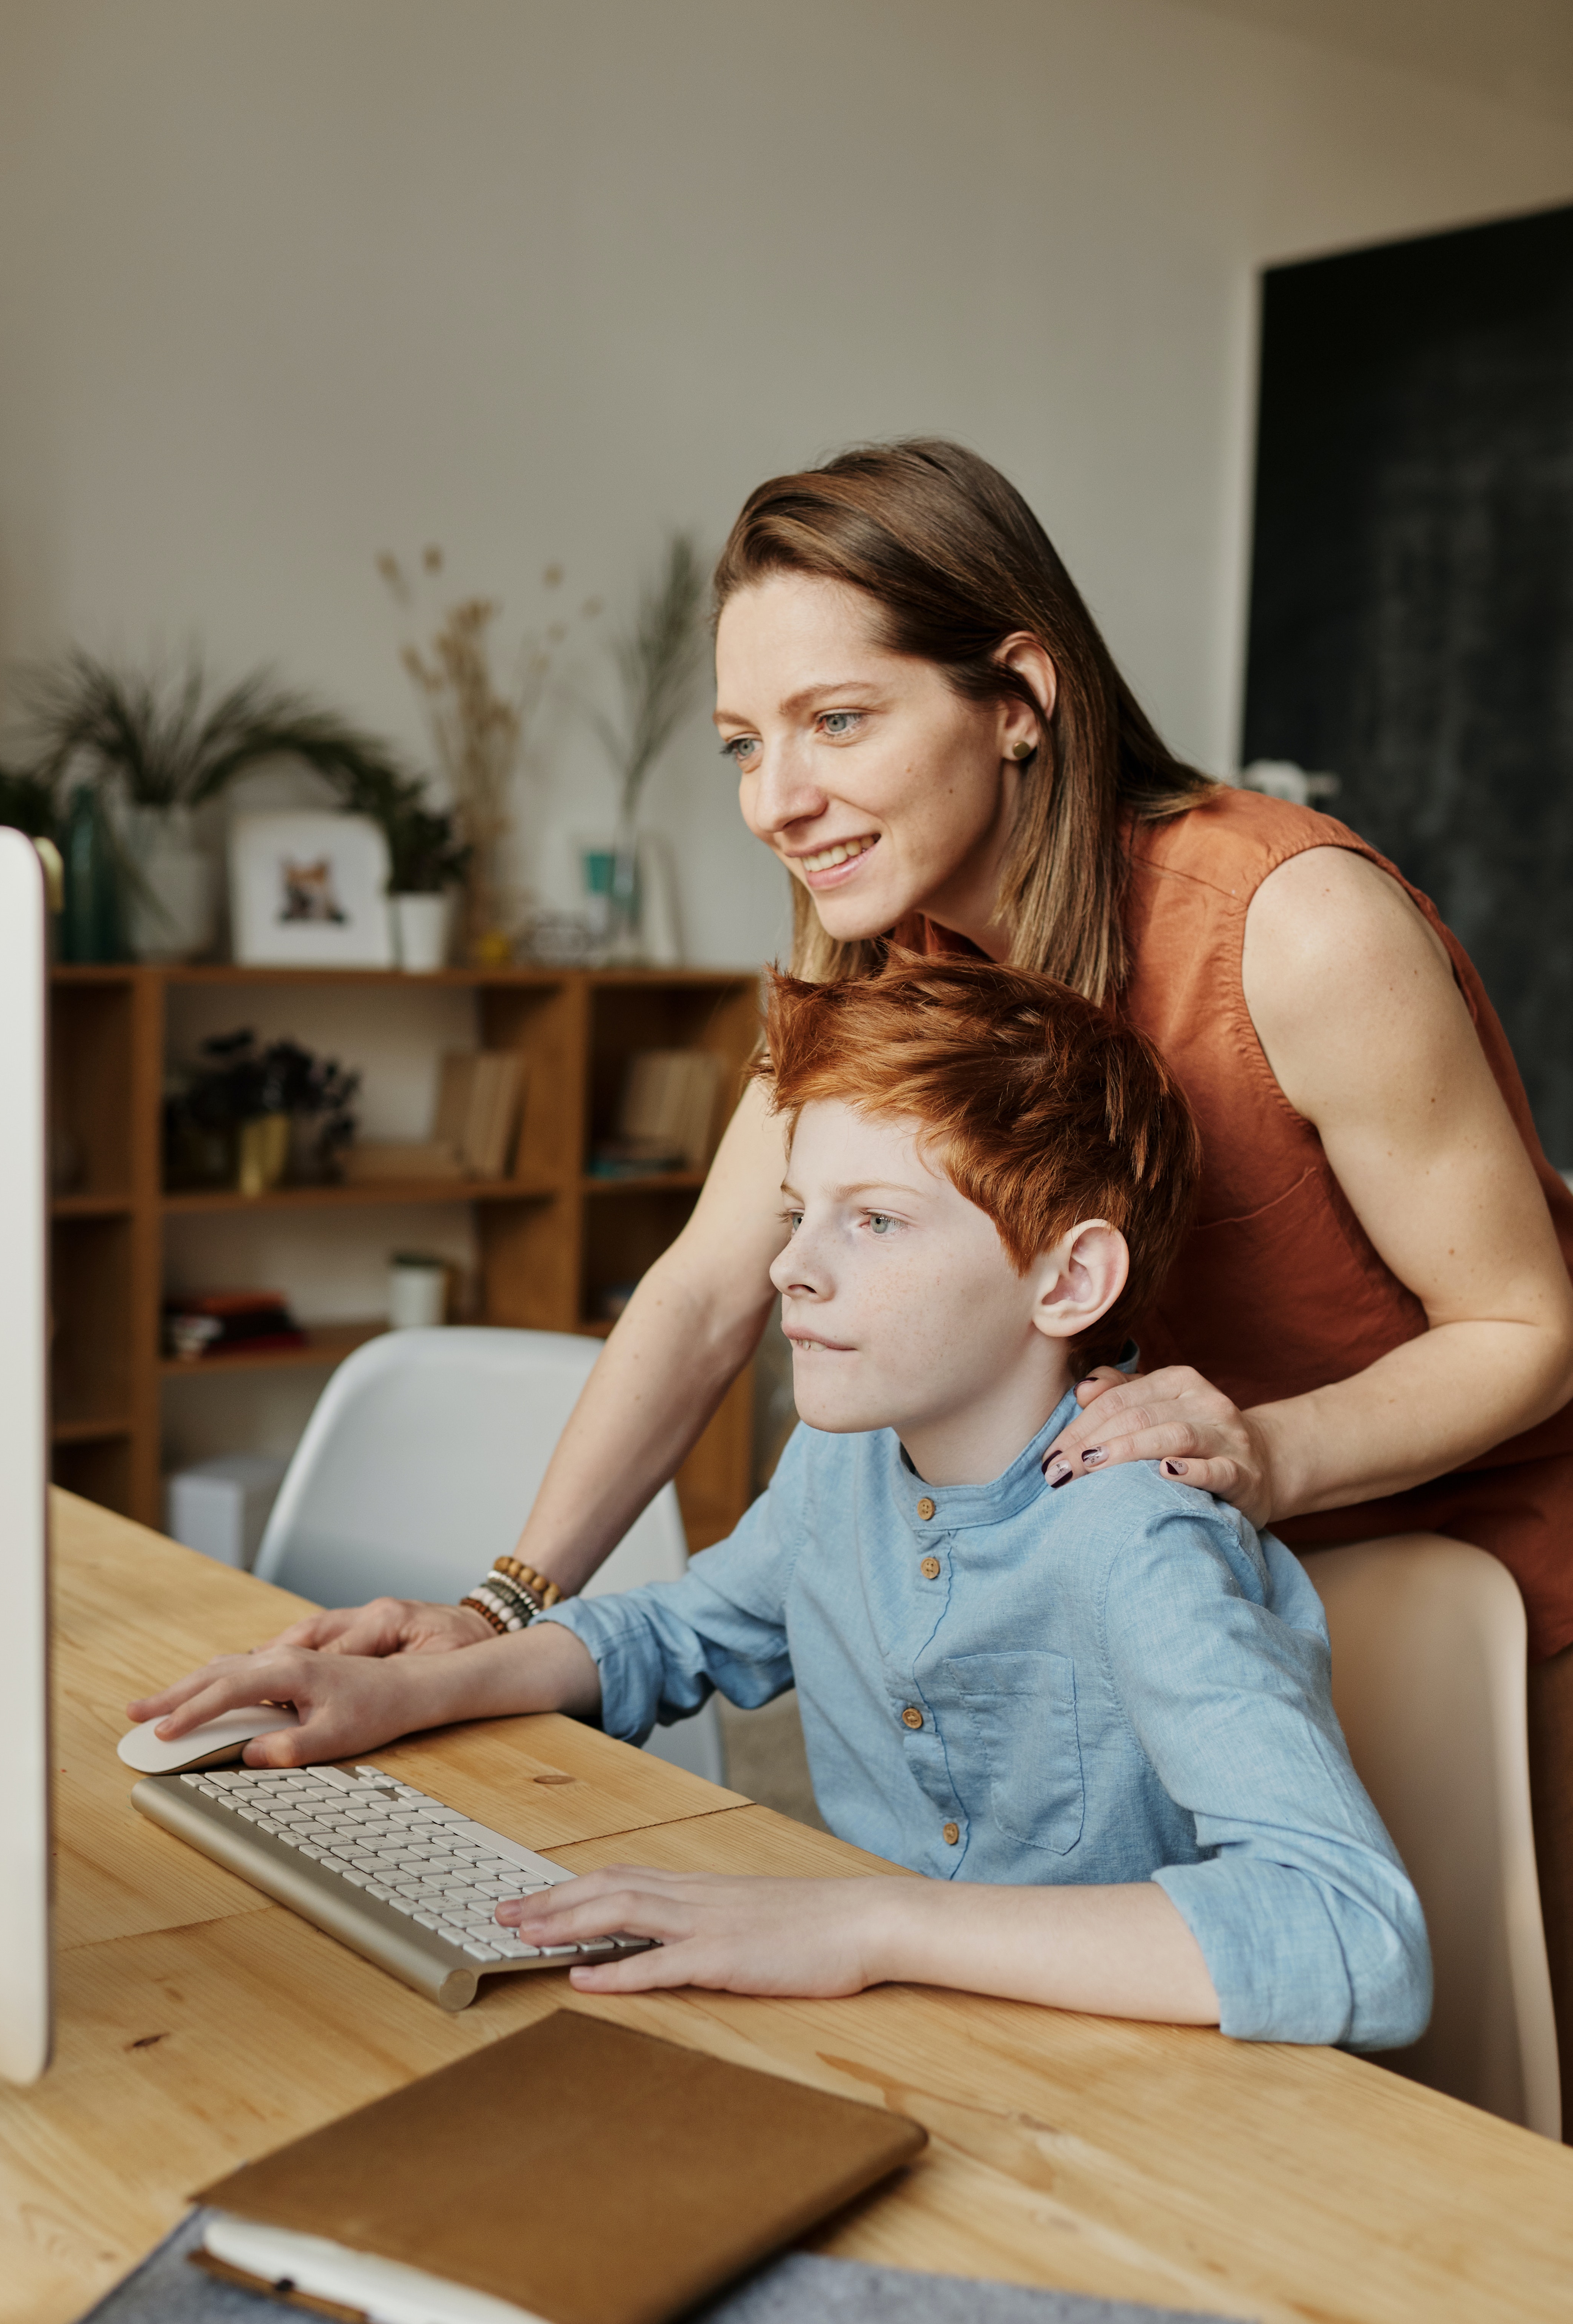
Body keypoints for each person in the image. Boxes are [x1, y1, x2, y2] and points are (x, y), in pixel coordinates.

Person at [278, 442, 1573, 2103]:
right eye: (744, 744)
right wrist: (491, 1610)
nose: (773, 800)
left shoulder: (1290, 925)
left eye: (836, 721)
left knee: (1490, 2110)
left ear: (1017, 694)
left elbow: (1527, 1324)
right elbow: (699, 1290)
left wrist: (1264, 1451)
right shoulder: (876, 956)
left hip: (1461, 1558)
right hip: (1166, 1544)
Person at [130, 957, 1430, 2049]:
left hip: (1126, 2090)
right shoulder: (844, 1462)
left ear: (1069, 1276)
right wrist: (420, 1685)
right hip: (901, 2034)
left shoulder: (1136, 1536)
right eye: (800, 1211)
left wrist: (865, 1921)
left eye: (874, 1222)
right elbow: (684, 1629)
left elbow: (1351, 1928)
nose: (788, 1268)